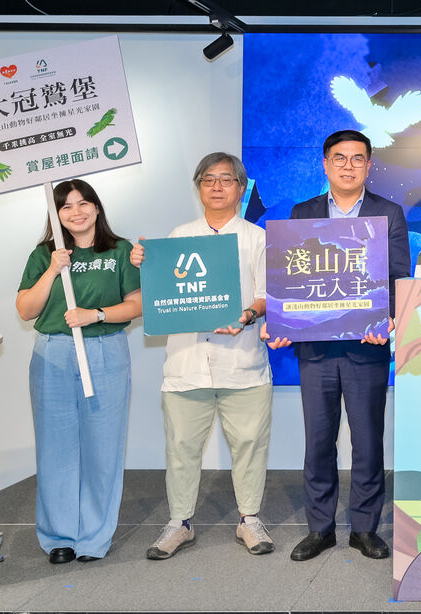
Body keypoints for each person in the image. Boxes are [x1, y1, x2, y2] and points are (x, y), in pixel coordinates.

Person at [262, 130, 409, 561]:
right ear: (325, 164)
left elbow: (398, 275)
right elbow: (290, 276)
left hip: (367, 344)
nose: (349, 166)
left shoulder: (388, 213)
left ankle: (364, 528)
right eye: (340, 158)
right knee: (319, 441)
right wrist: (285, 321)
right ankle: (320, 528)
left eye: (357, 158)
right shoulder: (303, 212)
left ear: (369, 165)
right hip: (316, 348)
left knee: (368, 441)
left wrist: (388, 319)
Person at [129, 153, 275, 560]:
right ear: (198, 188)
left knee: (250, 444)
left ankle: (249, 519)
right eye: (208, 179)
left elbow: (267, 296)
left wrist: (247, 315)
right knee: (181, 447)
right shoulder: (179, 236)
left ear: (241, 188)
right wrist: (144, 264)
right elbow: (162, 293)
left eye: (226, 179)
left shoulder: (257, 238)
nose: (217, 187)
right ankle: (180, 523)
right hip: (187, 363)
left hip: (242, 361)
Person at [15, 178, 141, 564]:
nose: (76, 212)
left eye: (83, 203)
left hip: (105, 349)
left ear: (96, 207)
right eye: (66, 206)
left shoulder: (120, 251)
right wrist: (53, 270)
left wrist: (95, 315)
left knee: (103, 446)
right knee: (56, 447)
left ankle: (93, 536)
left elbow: (137, 304)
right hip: (53, 353)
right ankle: (60, 536)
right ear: (56, 215)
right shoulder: (44, 254)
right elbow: (26, 310)